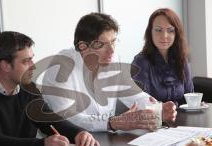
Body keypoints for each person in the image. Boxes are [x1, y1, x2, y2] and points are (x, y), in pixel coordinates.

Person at [0, 31, 99, 146]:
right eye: (26, 61)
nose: (33, 66)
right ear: (6, 66)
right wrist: (42, 145)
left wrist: (78, 133)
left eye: (32, 59)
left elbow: (49, 119)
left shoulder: (29, 88)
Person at [42, 12, 177, 132]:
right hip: (66, 145)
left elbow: (133, 93)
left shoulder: (112, 58)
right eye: (102, 44)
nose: (111, 50)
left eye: (113, 41)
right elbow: (68, 118)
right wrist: (112, 123)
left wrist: (159, 109)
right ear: (83, 46)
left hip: (104, 140)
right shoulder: (60, 68)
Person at [131, 8, 194, 107]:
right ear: (150, 32)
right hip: (153, 120)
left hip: (182, 119)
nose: (164, 36)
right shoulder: (141, 62)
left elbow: (189, 97)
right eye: (158, 30)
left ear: (176, 34)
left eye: (170, 30)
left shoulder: (181, 59)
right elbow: (141, 104)